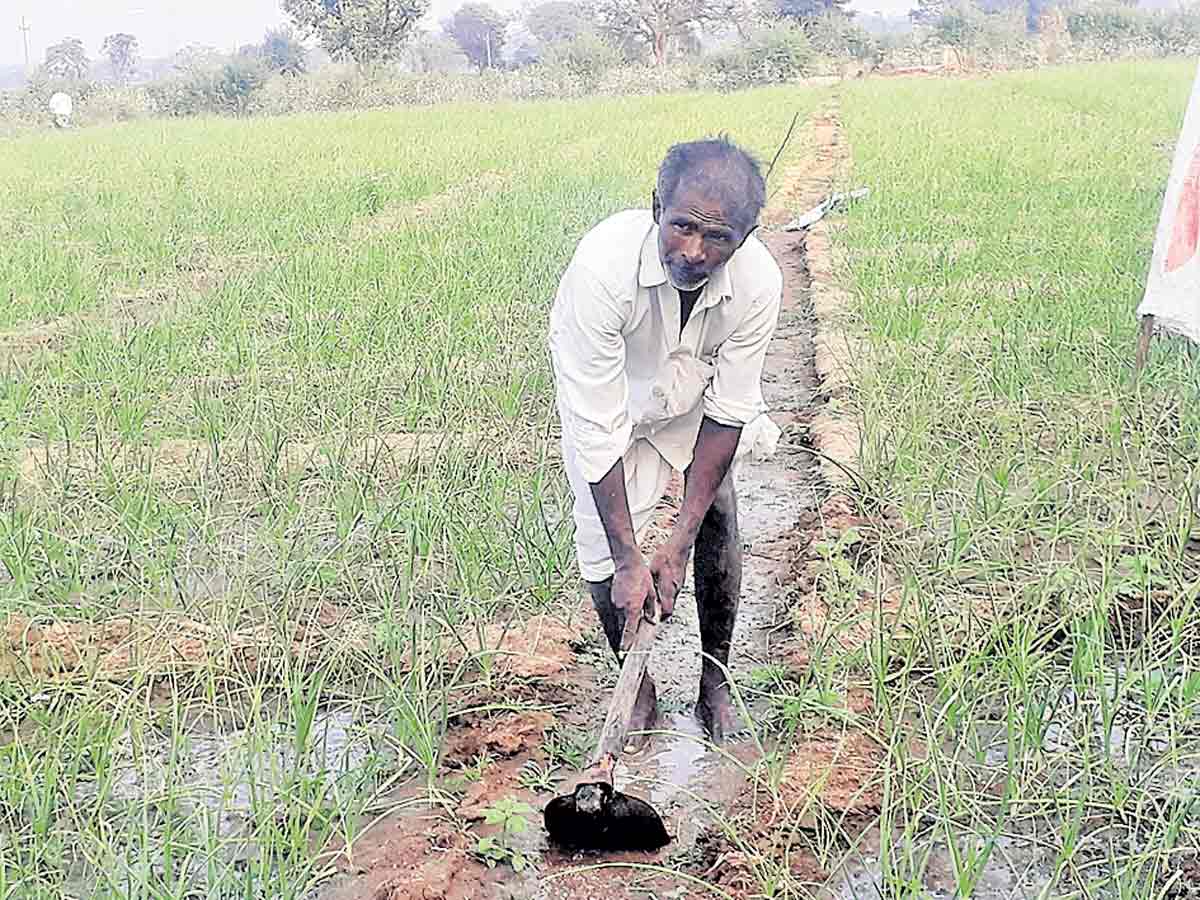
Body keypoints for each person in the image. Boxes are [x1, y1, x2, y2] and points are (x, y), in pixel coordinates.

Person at [548, 136, 783, 745]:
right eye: (681, 226)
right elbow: (597, 433)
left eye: (718, 238)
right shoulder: (602, 271)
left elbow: (729, 413)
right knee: (604, 548)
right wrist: (633, 558)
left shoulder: (758, 283)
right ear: (656, 205)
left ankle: (715, 680)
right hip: (619, 397)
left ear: (747, 236)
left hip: (693, 385)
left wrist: (675, 544)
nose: (694, 251)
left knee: (716, 509)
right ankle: (641, 691)